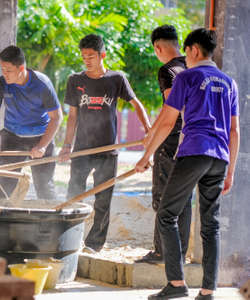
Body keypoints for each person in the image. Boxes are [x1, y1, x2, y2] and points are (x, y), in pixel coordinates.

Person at [136, 28, 240, 300]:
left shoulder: (186, 77)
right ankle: (208, 290)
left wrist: (146, 156)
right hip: (219, 158)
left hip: (193, 151)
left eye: (188, 53)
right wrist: (230, 171)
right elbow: (234, 131)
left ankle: (176, 282)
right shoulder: (229, 82)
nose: (186, 58)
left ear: (194, 50)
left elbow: (169, 121)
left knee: (167, 214)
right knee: (211, 225)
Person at [59, 34, 151, 253]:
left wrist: (149, 130)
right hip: (81, 150)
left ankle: (94, 244)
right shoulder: (75, 80)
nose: (87, 60)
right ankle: (69, 238)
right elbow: (72, 117)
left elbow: (136, 103)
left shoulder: (116, 79)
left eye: (91, 56)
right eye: (83, 56)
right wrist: (66, 146)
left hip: (108, 151)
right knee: (73, 195)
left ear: (102, 55)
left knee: (103, 200)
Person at [0, 45, 62, 200]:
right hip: (12, 137)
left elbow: (56, 117)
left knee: (44, 187)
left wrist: (42, 146)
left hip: (41, 137)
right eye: (2, 69)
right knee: (5, 188)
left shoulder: (42, 84)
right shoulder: (1, 84)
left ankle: (50, 223)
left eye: (8, 70)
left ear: (21, 68)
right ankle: (1, 221)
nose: (4, 74)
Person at [136, 25, 192, 264]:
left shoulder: (167, 70)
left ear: (158, 47)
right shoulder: (192, 67)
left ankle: (161, 253)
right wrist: (151, 131)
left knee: (163, 196)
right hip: (192, 140)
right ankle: (178, 253)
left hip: (171, 142)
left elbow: (172, 109)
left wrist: (150, 145)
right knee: (185, 197)